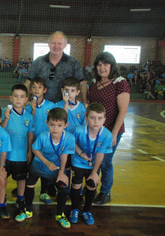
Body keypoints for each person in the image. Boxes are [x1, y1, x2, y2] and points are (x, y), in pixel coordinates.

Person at [15, 108, 75, 229]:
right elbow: (35, 149)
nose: (55, 128)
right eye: (52, 124)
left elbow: (64, 156)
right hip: (40, 163)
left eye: (59, 125)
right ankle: (28, 211)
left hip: (56, 166)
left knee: (63, 187)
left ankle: (60, 214)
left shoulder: (69, 138)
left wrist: (62, 172)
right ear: (47, 123)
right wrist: (46, 162)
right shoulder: (43, 136)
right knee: (30, 184)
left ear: (65, 125)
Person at [88, 52, 130, 205]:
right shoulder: (94, 82)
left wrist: (113, 134)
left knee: (105, 161)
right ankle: (92, 187)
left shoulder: (120, 83)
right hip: (94, 130)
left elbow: (123, 110)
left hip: (111, 131)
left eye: (105, 64)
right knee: (94, 161)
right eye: (99, 64)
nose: (102, 67)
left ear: (112, 66)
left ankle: (105, 192)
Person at [69, 103, 113, 226]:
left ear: (104, 120)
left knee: (91, 185)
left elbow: (100, 155)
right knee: (76, 185)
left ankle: (87, 210)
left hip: (94, 165)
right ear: (86, 118)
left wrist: (94, 172)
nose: (95, 121)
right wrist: (81, 153)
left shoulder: (107, 135)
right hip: (78, 162)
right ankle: (74, 209)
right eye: (92, 117)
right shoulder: (78, 130)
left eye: (99, 118)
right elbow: (73, 144)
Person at [25, 31, 87, 104]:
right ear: (48, 43)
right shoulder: (38, 62)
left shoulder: (73, 63)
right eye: (53, 43)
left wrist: (84, 102)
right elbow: (28, 82)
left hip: (65, 107)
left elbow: (82, 84)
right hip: (41, 106)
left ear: (65, 45)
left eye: (60, 43)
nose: (56, 46)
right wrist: (26, 101)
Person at [1, 84, 34, 214]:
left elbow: (30, 134)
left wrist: (29, 151)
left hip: (21, 154)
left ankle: (20, 199)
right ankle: (2, 199)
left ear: (26, 99)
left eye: (22, 97)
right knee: (3, 177)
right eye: (15, 96)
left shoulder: (28, 116)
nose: (18, 99)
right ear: (10, 98)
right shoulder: (6, 112)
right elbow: (0, 130)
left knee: (21, 179)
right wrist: (6, 119)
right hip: (7, 155)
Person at [25, 77, 55, 204]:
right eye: (34, 87)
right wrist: (32, 110)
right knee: (29, 164)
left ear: (45, 90)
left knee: (44, 166)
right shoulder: (27, 106)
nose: (37, 90)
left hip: (46, 144)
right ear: (30, 90)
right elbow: (28, 123)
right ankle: (24, 187)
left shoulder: (51, 106)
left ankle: (43, 192)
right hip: (31, 141)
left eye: (40, 87)